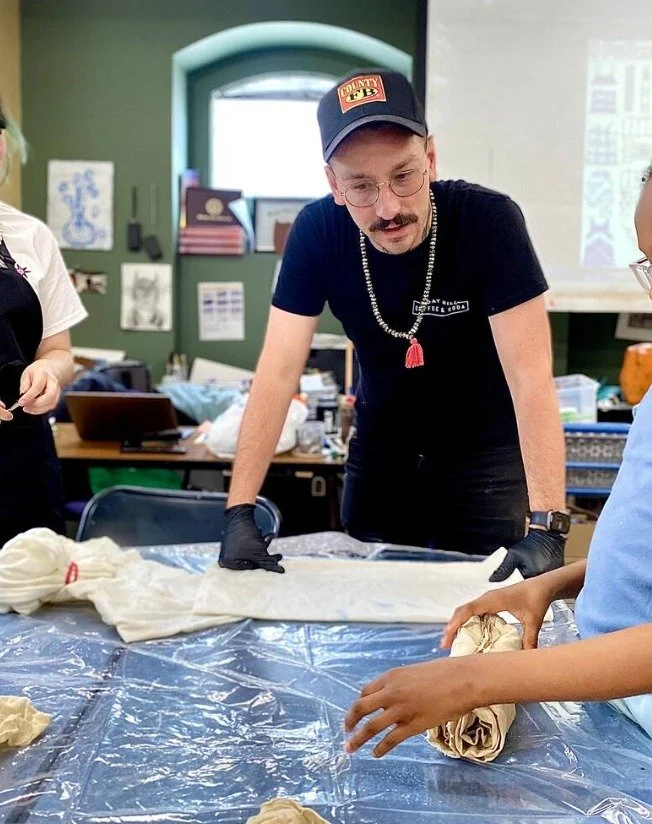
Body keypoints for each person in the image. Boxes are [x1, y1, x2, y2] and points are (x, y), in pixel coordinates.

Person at [342, 165, 652, 757]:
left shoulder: (486, 222)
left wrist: (475, 680)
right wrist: (559, 585)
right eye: (648, 264)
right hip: (613, 697)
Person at [219, 69, 566, 580]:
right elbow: (276, 371)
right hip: (381, 454)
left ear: (430, 158)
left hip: (486, 461)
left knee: (484, 622)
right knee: (371, 613)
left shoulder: (489, 222)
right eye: (361, 186)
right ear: (333, 184)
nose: (389, 208)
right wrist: (239, 510)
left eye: (404, 176)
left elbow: (531, 379)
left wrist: (547, 526)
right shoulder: (316, 234)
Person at [0, 96, 87, 546]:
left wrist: (48, 374)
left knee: (33, 607)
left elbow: (58, 353)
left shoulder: (30, 236)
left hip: (23, 469)